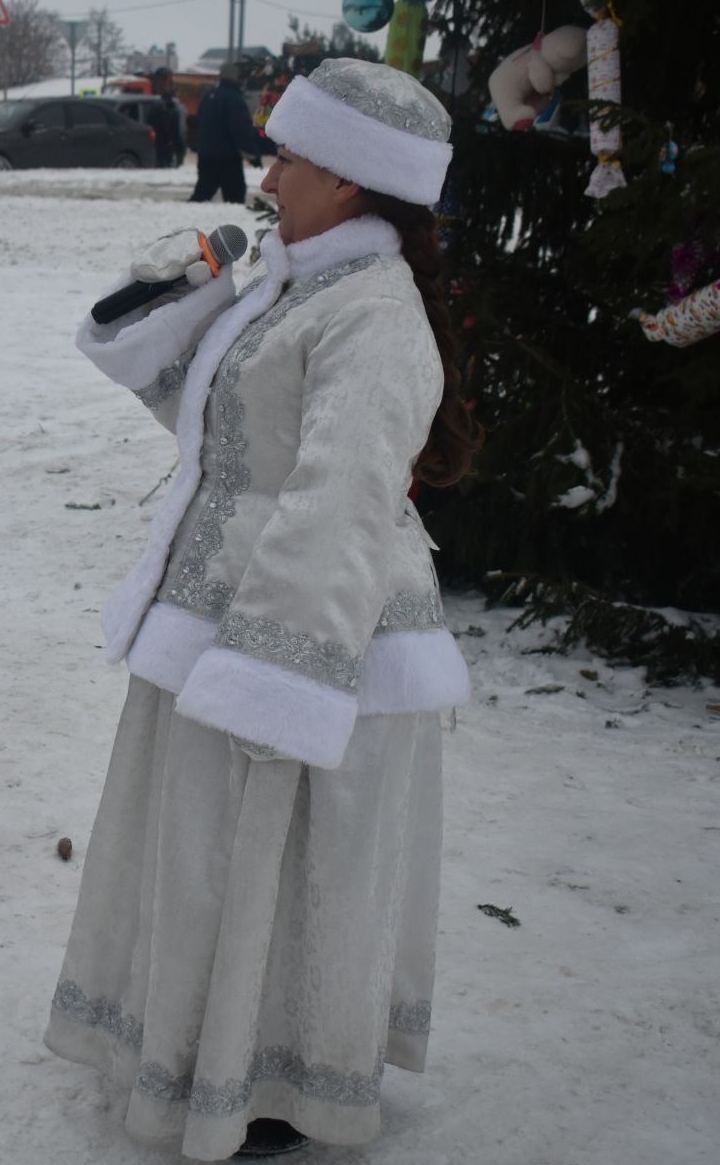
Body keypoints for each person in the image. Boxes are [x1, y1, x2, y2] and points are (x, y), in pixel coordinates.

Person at [48, 59, 482, 1159]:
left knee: (283, 869)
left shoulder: (376, 317)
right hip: (219, 619)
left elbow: (340, 501)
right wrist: (193, 282)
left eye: (291, 154)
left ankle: (273, 1080)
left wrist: (274, 677)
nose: (268, 169)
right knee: (214, 860)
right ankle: (206, 1049)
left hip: (306, 640)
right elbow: (203, 421)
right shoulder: (295, 284)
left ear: (352, 182)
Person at [188, 60, 263, 203]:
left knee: (202, 194)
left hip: (205, 156)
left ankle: (185, 221)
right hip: (227, 159)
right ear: (236, 78)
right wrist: (253, 155)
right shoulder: (234, 99)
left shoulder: (208, 97)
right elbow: (240, 131)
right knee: (235, 197)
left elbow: (200, 125)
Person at [145, 67, 187, 169]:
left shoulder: (172, 106)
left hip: (166, 154)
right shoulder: (157, 104)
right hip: (157, 153)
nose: (159, 85)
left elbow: (179, 132)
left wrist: (180, 152)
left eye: (164, 81)